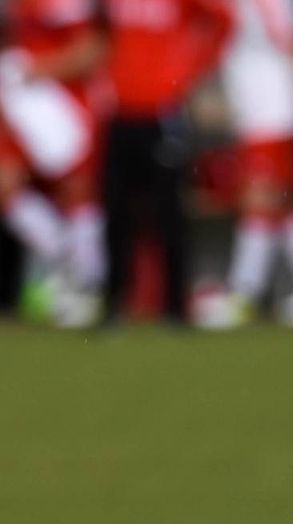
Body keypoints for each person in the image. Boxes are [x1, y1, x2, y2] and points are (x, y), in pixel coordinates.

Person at [193, 0, 293, 329]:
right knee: (285, 205)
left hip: (274, 110)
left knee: (259, 200)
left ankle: (245, 292)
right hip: (255, 111)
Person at [101, 0, 233, 324]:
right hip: (120, 107)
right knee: (117, 209)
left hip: (163, 109)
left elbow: (223, 20)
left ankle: (175, 306)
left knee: (169, 210)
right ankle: (116, 301)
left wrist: (191, 67)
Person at [0, 0, 107, 327]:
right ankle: (65, 258)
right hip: (18, 97)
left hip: (63, 98)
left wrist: (40, 69)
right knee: (5, 183)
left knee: (76, 190)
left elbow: (91, 49)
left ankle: (88, 282)